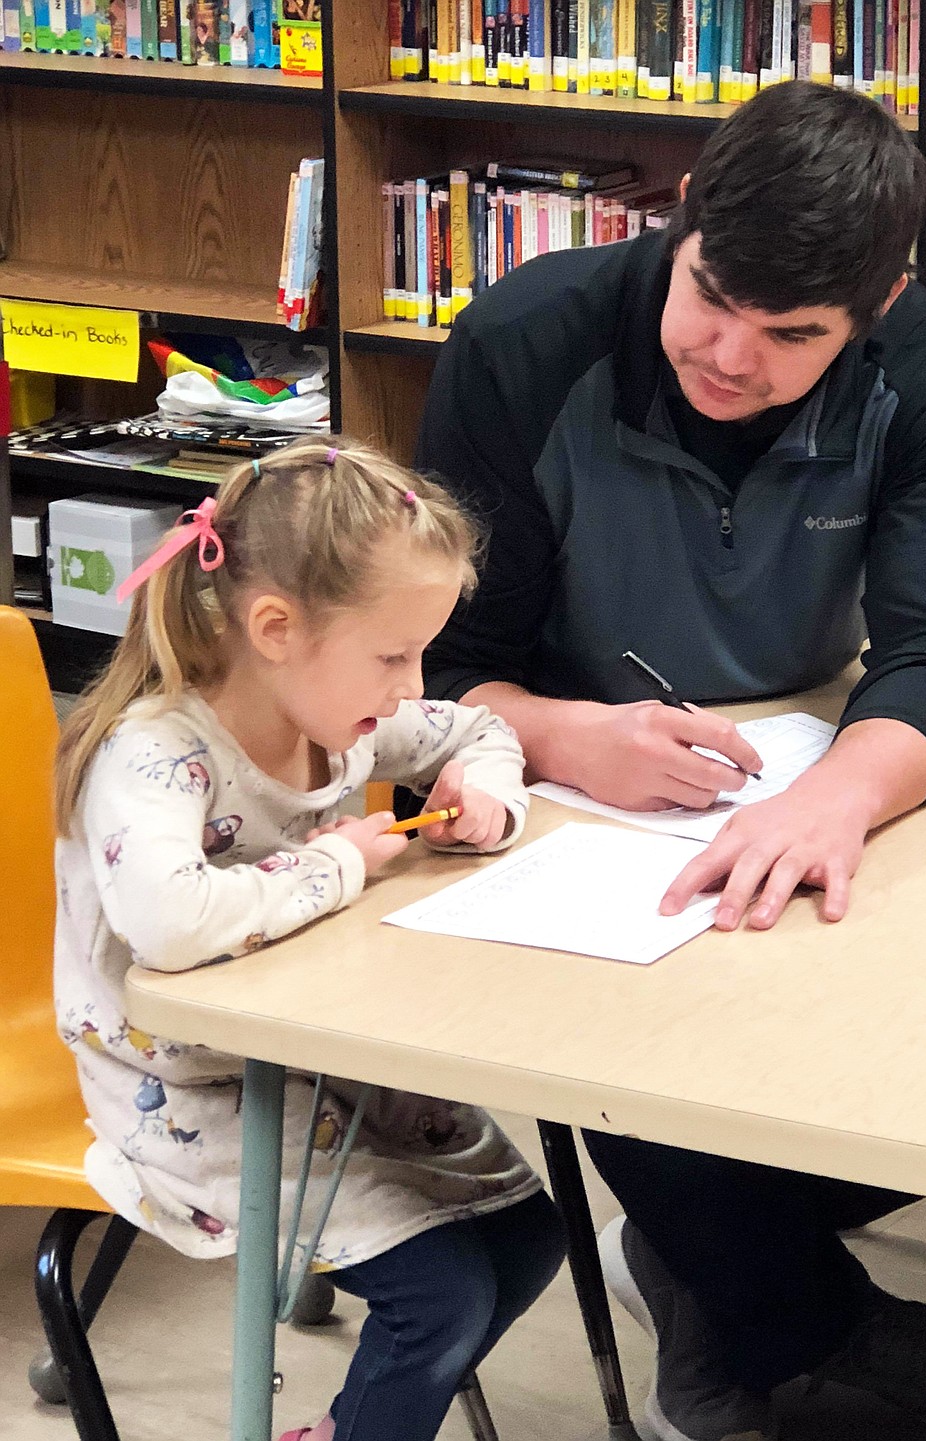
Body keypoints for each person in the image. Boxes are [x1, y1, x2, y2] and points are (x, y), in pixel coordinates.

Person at [415, 82, 926, 1441]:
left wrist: (830, 800)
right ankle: (799, 1337)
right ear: (679, 220)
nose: (731, 356)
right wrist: (566, 731)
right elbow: (426, 672)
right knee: (650, 1025)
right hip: (550, 794)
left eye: (790, 333)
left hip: (799, 761)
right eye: (709, 299)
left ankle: (712, 1279)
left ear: (877, 307)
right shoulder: (523, 340)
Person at [53, 438, 565, 1441]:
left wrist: (482, 795)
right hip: (186, 1086)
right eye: (392, 656)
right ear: (276, 628)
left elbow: (477, 731)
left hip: (326, 1055)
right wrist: (339, 865)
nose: (411, 681)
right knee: (442, 1294)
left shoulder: (346, 718)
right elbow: (168, 918)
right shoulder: (156, 754)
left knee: (530, 1237)